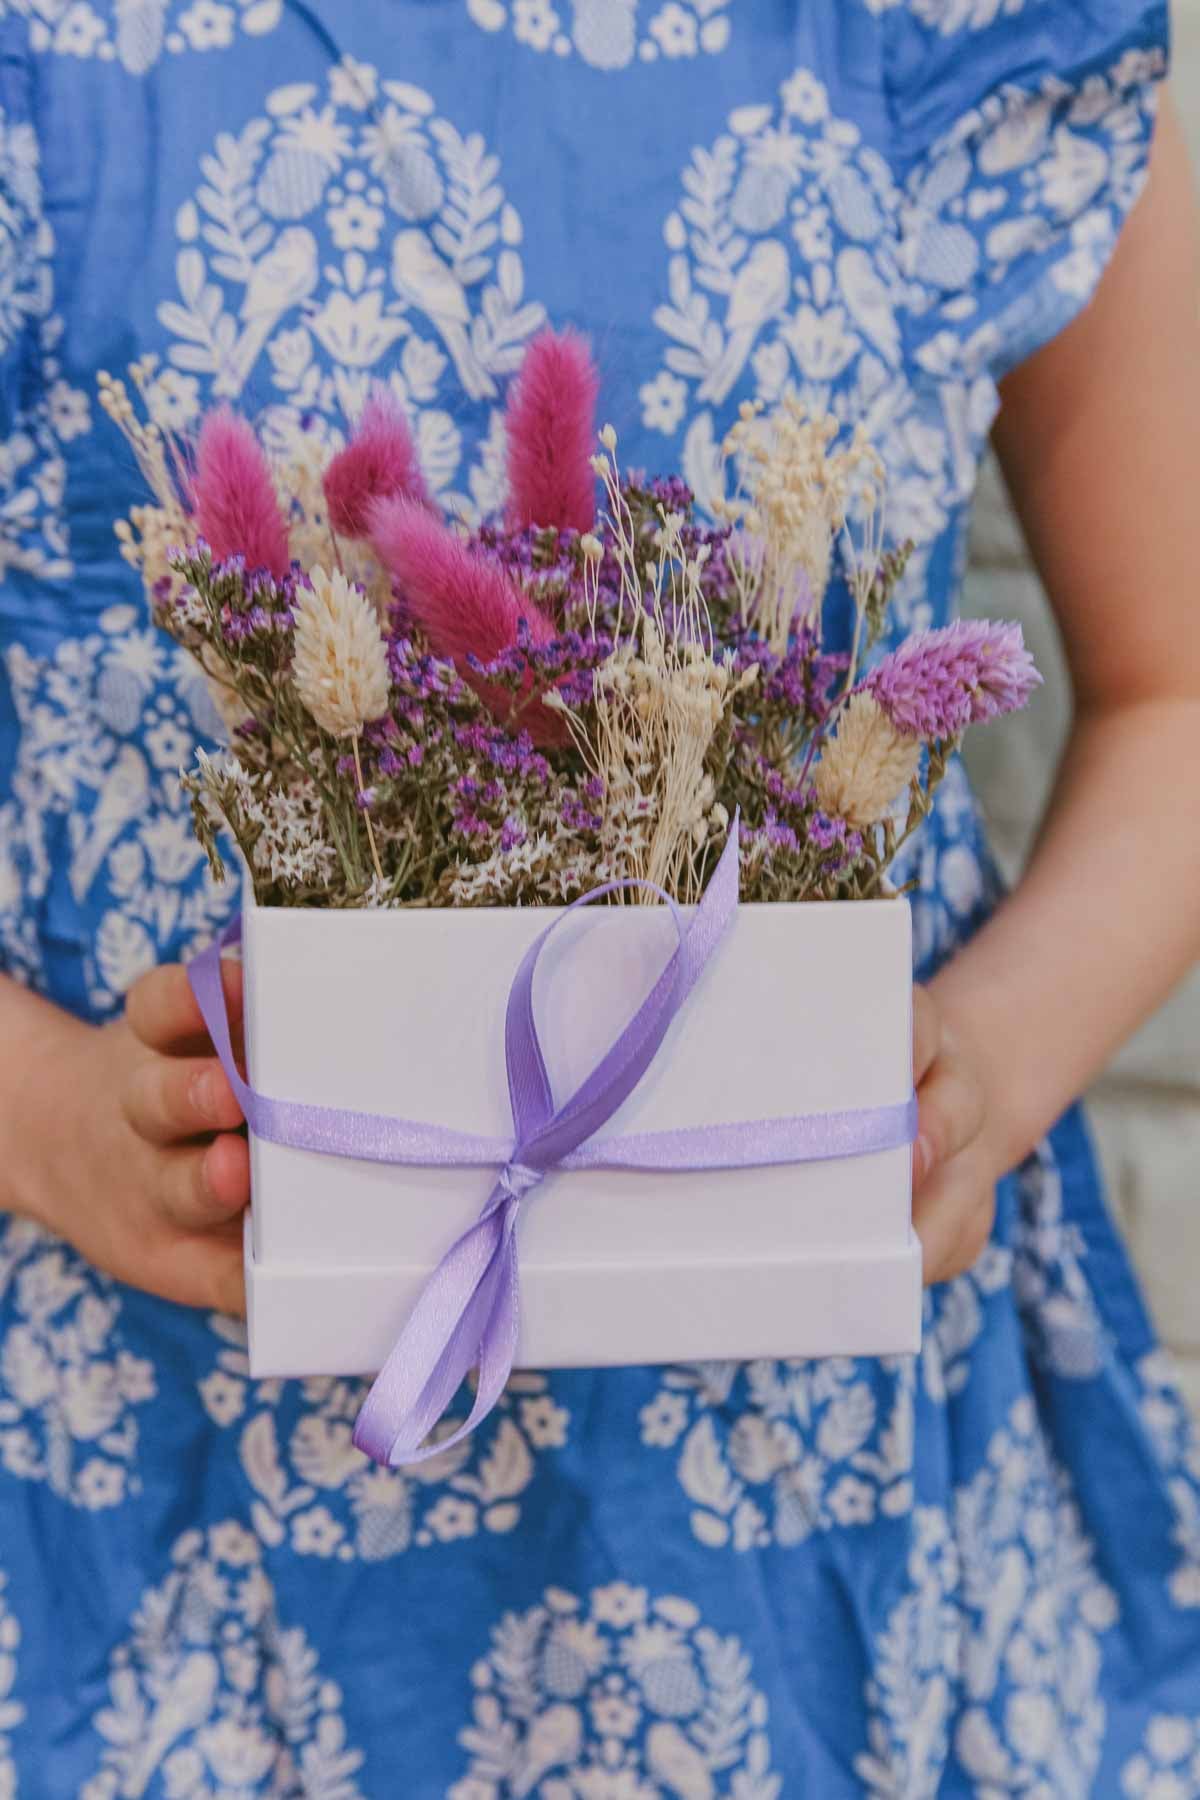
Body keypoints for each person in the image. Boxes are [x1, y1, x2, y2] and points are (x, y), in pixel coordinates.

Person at [1, 2, 1198, 1791]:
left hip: (815, 1480)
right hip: (136, 1466)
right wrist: (39, 1116)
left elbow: (1180, 691)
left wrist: (991, 1066)